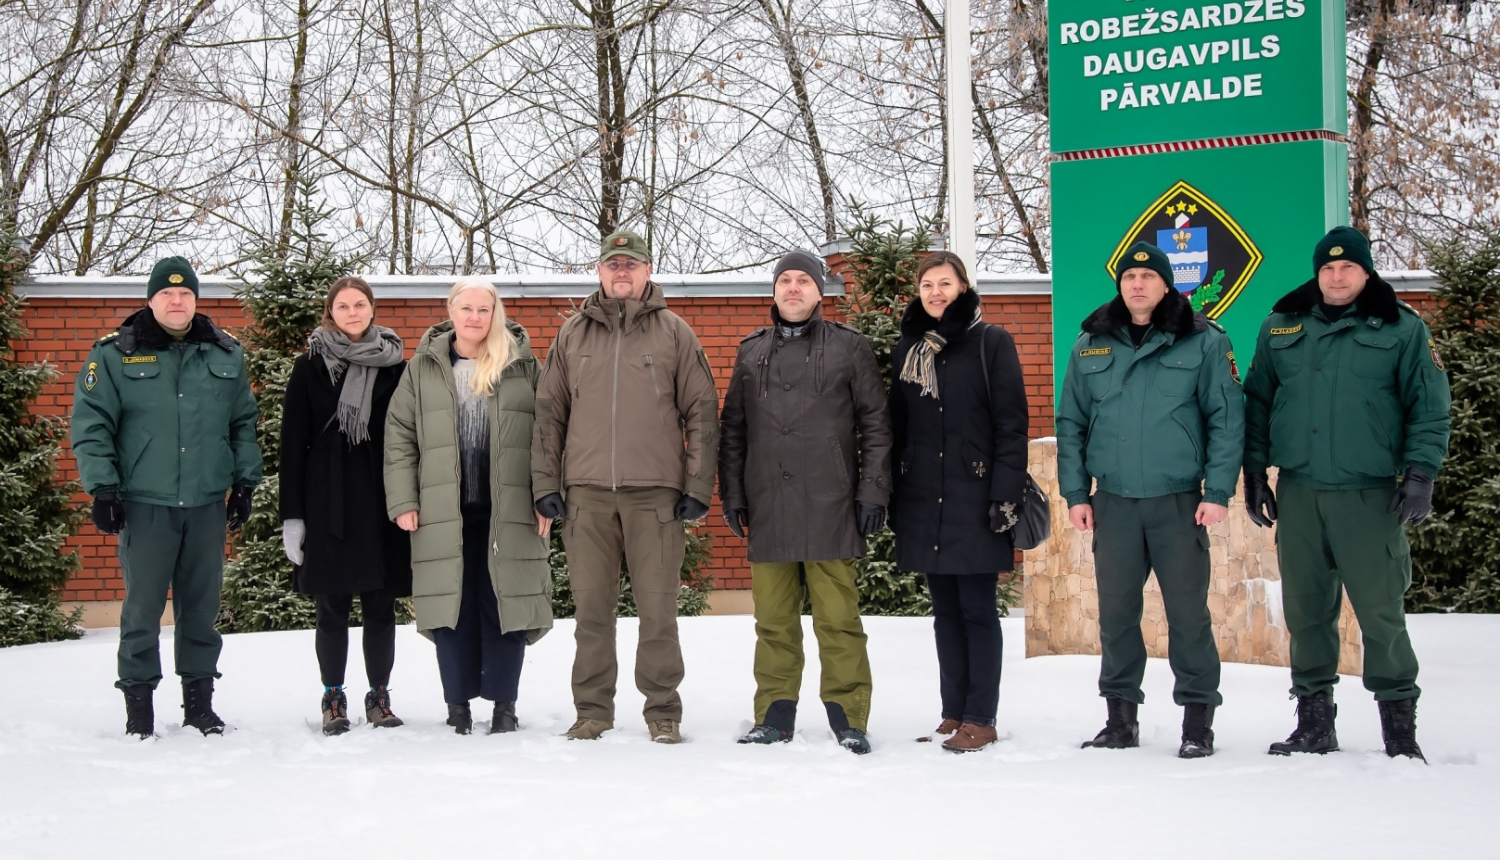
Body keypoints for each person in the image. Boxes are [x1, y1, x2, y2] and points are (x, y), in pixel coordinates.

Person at [1243, 226, 1451, 762]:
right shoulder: (1280, 327)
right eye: (1328, 268)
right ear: (1318, 273)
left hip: (1369, 496)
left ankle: (1399, 728)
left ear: (1366, 272)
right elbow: (1258, 405)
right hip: (1300, 492)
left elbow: (1428, 407)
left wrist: (1421, 473)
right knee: (1306, 611)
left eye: (1348, 268)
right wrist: (1254, 473)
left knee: (1381, 612)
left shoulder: (1402, 329)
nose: (1337, 277)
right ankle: (1314, 723)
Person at [1056, 241, 1244, 759]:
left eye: (1148, 275)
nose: (1137, 284)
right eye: (1129, 276)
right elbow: (1070, 423)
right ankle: (1120, 719)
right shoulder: (1090, 344)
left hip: (1179, 503)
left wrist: (1219, 491)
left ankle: (1198, 721)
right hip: (1114, 503)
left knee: (1188, 615)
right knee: (1116, 615)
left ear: (1167, 285)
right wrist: (1076, 492)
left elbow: (1226, 419)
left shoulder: (1203, 341)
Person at [531, 229, 720, 744]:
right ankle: (592, 710)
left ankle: (663, 711)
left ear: (646, 271)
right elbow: (548, 414)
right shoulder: (572, 334)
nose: (621, 272)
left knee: (658, 613)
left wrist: (697, 484)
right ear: (599, 271)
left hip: (655, 497)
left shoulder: (675, 332)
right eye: (612, 264)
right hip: (586, 496)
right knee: (592, 613)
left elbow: (702, 412)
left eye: (630, 265)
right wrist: (547, 482)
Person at [70, 256, 262, 738]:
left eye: (186, 294)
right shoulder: (115, 354)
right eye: (166, 294)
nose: (176, 302)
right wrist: (103, 488)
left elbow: (243, 423)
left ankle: (199, 706)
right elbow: (92, 426)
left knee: (201, 607)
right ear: (150, 299)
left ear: (196, 300)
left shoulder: (224, 353)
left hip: (204, 504)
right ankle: (140, 710)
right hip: (144, 503)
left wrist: (244, 483)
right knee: (142, 610)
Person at [718, 250, 892, 755]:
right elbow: (734, 428)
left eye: (803, 281)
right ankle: (774, 714)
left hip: (830, 502)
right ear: (774, 291)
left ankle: (848, 717)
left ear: (820, 291)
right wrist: (733, 492)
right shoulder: (751, 352)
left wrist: (872, 491)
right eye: (784, 281)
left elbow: (877, 425)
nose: (793, 289)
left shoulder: (848, 348)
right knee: (773, 621)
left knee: (838, 620)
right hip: (769, 502)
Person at [384, 278, 554, 735]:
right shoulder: (423, 367)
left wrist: (546, 496)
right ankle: (457, 705)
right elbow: (399, 437)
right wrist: (403, 499)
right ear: (451, 311)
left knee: (506, 606)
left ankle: (504, 706)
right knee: (452, 608)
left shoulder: (521, 365)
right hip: (444, 511)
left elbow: (546, 437)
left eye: (484, 309)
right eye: (467, 308)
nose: (475, 317)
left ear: (495, 313)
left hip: (509, 510)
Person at [889, 250, 1029, 753]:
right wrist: (891, 491)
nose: (935, 293)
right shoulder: (910, 348)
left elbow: (1012, 425)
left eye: (944, 283)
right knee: (944, 612)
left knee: (976, 609)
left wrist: (1004, 494)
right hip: (925, 497)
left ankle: (981, 717)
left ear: (963, 286)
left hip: (976, 497)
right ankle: (953, 711)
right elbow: (896, 426)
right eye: (927, 284)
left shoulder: (992, 342)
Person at [280, 276, 411, 735]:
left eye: (360, 304)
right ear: (329, 312)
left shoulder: (396, 366)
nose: (352, 312)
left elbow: (411, 438)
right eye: (342, 306)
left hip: (380, 499)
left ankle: (379, 695)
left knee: (380, 605)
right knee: (331, 606)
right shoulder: (309, 366)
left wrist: (410, 501)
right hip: (327, 502)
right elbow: (292, 446)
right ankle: (333, 696)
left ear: (372, 309)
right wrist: (292, 518)